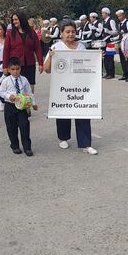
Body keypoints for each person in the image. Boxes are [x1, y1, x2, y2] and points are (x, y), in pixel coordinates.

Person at [43, 21, 98, 155]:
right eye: (67, 32)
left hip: (80, 87)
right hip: (62, 87)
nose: (70, 34)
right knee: (63, 113)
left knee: (83, 113)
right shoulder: (55, 47)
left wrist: (97, 59)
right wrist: (50, 57)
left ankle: (86, 144)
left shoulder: (81, 47)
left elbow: (88, 65)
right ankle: (63, 137)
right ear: (61, 33)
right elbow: (46, 69)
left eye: (73, 31)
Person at [0, 57, 38, 156]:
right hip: (10, 106)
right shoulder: (6, 81)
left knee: (24, 126)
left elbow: (29, 92)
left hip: (22, 107)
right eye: (13, 69)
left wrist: (33, 103)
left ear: (20, 68)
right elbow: (0, 92)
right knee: (11, 127)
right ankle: (15, 145)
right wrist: (8, 96)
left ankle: (27, 147)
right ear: (8, 69)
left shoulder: (24, 80)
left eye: (17, 69)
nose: (15, 71)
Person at [3, 11, 44, 91]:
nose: (14, 21)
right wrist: (5, 66)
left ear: (22, 19)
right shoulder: (10, 33)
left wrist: (40, 63)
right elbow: (6, 50)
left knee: (30, 85)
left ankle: (29, 102)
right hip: (16, 65)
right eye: (13, 20)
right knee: (17, 86)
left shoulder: (31, 32)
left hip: (30, 63)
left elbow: (38, 48)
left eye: (16, 19)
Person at [116, 9, 128, 82]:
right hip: (121, 43)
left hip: (126, 44)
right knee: (122, 60)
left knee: (127, 60)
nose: (119, 18)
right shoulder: (120, 24)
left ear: (123, 15)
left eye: (120, 16)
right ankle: (125, 74)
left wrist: (125, 35)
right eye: (118, 16)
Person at [100, 7, 119, 79]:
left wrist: (108, 31)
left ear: (106, 13)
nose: (102, 14)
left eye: (102, 13)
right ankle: (107, 72)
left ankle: (111, 73)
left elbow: (115, 32)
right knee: (105, 58)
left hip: (110, 41)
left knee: (110, 58)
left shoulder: (111, 21)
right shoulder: (103, 22)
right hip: (104, 42)